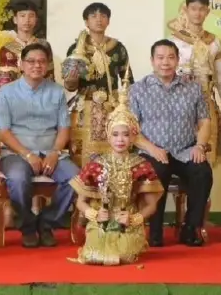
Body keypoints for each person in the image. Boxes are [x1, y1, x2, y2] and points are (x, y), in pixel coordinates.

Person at [0, 42, 78, 248]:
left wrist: (56, 153)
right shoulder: (6, 92)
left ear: (48, 65)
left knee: (77, 179)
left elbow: (64, 128)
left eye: (41, 61)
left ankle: (47, 223)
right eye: (31, 61)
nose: (36, 66)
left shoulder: (57, 92)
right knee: (18, 177)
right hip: (16, 152)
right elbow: (1, 131)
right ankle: (28, 226)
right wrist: (27, 154)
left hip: (51, 150)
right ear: (21, 64)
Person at [131, 39, 213, 247]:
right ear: (152, 60)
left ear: (177, 60)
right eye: (160, 58)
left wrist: (200, 146)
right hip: (152, 151)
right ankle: (155, 232)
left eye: (170, 57)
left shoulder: (193, 88)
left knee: (202, 172)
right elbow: (131, 130)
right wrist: (152, 148)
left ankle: (190, 228)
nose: (165, 62)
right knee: (158, 171)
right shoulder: (138, 90)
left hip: (185, 150)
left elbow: (204, 121)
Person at [68, 87, 164, 265]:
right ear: (108, 136)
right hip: (100, 222)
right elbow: (80, 202)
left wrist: (134, 219)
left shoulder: (141, 165)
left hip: (128, 224)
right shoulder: (96, 165)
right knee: (94, 256)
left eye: (126, 134)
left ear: (133, 137)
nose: (120, 139)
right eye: (115, 134)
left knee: (125, 256)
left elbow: (151, 206)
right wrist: (94, 214)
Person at [168, 0, 221, 166]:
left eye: (202, 9)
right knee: (179, 153)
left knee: (206, 156)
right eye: (193, 9)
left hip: (206, 101)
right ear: (186, 10)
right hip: (179, 102)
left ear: (207, 12)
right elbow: (166, 74)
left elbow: (220, 76)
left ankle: (203, 193)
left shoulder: (213, 41)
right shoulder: (174, 41)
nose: (197, 13)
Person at [63, 2, 133, 159]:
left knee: (113, 151)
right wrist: (71, 80)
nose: (99, 19)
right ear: (86, 22)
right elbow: (70, 86)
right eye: (93, 16)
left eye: (103, 16)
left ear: (108, 21)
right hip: (84, 106)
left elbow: (128, 80)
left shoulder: (118, 48)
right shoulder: (76, 49)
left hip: (112, 107)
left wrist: (127, 107)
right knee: (83, 154)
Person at [0, 1, 51, 88]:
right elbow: (3, 81)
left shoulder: (44, 46)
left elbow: (50, 76)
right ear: (15, 19)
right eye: (22, 16)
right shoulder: (7, 49)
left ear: (36, 19)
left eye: (31, 16)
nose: (27, 20)